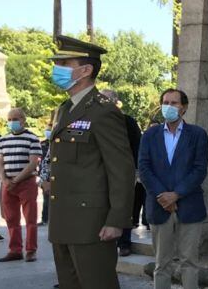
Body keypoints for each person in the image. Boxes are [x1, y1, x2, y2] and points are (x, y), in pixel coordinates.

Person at [46, 35, 135, 289]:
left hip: (92, 224)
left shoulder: (103, 110)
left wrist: (116, 219)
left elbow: (121, 169)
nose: (57, 69)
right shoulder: (65, 109)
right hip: (63, 220)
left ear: (85, 70)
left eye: (64, 64)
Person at [137, 89, 208, 289]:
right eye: (165, 102)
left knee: (190, 262)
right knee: (162, 263)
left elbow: (199, 169)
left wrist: (176, 194)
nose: (169, 106)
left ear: (184, 108)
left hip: (189, 205)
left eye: (174, 103)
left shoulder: (197, 134)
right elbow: (144, 167)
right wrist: (162, 195)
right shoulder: (150, 134)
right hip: (159, 206)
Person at [0, 108, 43, 262]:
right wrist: (4, 180)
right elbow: (0, 162)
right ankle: (15, 250)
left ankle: (30, 250)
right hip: (8, 183)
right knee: (11, 218)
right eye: (9, 119)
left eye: (15, 118)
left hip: (26, 182)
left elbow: (33, 163)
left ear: (23, 119)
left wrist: (15, 180)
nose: (12, 122)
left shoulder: (32, 138)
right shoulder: (4, 139)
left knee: (30, 218)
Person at [101, 89, 144, 257]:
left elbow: (137, 147)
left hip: (124, 173)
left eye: (107, 99)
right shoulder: (95, 121)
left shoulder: (128, 122)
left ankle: (124, 243)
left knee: (124, 208)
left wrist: (134, 173)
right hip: (101, 173)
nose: (104, 103)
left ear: (116, 101)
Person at [39, 121, 52, 225]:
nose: (48, 131)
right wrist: (43, 179)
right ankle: (45, 219)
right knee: (46, 199)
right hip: (47, 176)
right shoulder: (43, 143)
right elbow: (45, 161)